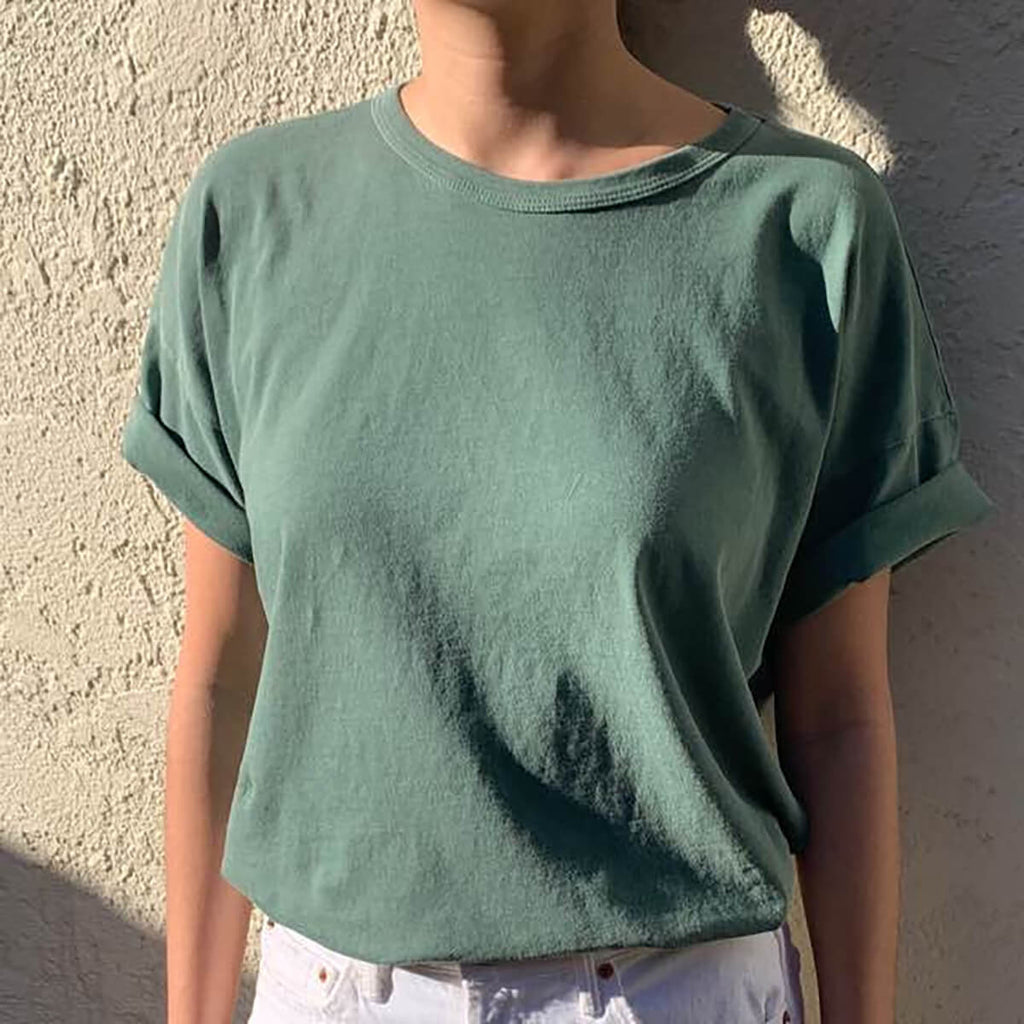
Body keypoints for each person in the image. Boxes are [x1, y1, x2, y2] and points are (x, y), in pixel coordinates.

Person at [118, 0, 996, 1021]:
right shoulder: (255, 213)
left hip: (672, 992)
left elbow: (837, 717)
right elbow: (224, 676)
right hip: (333, 990)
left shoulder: (803, 228)